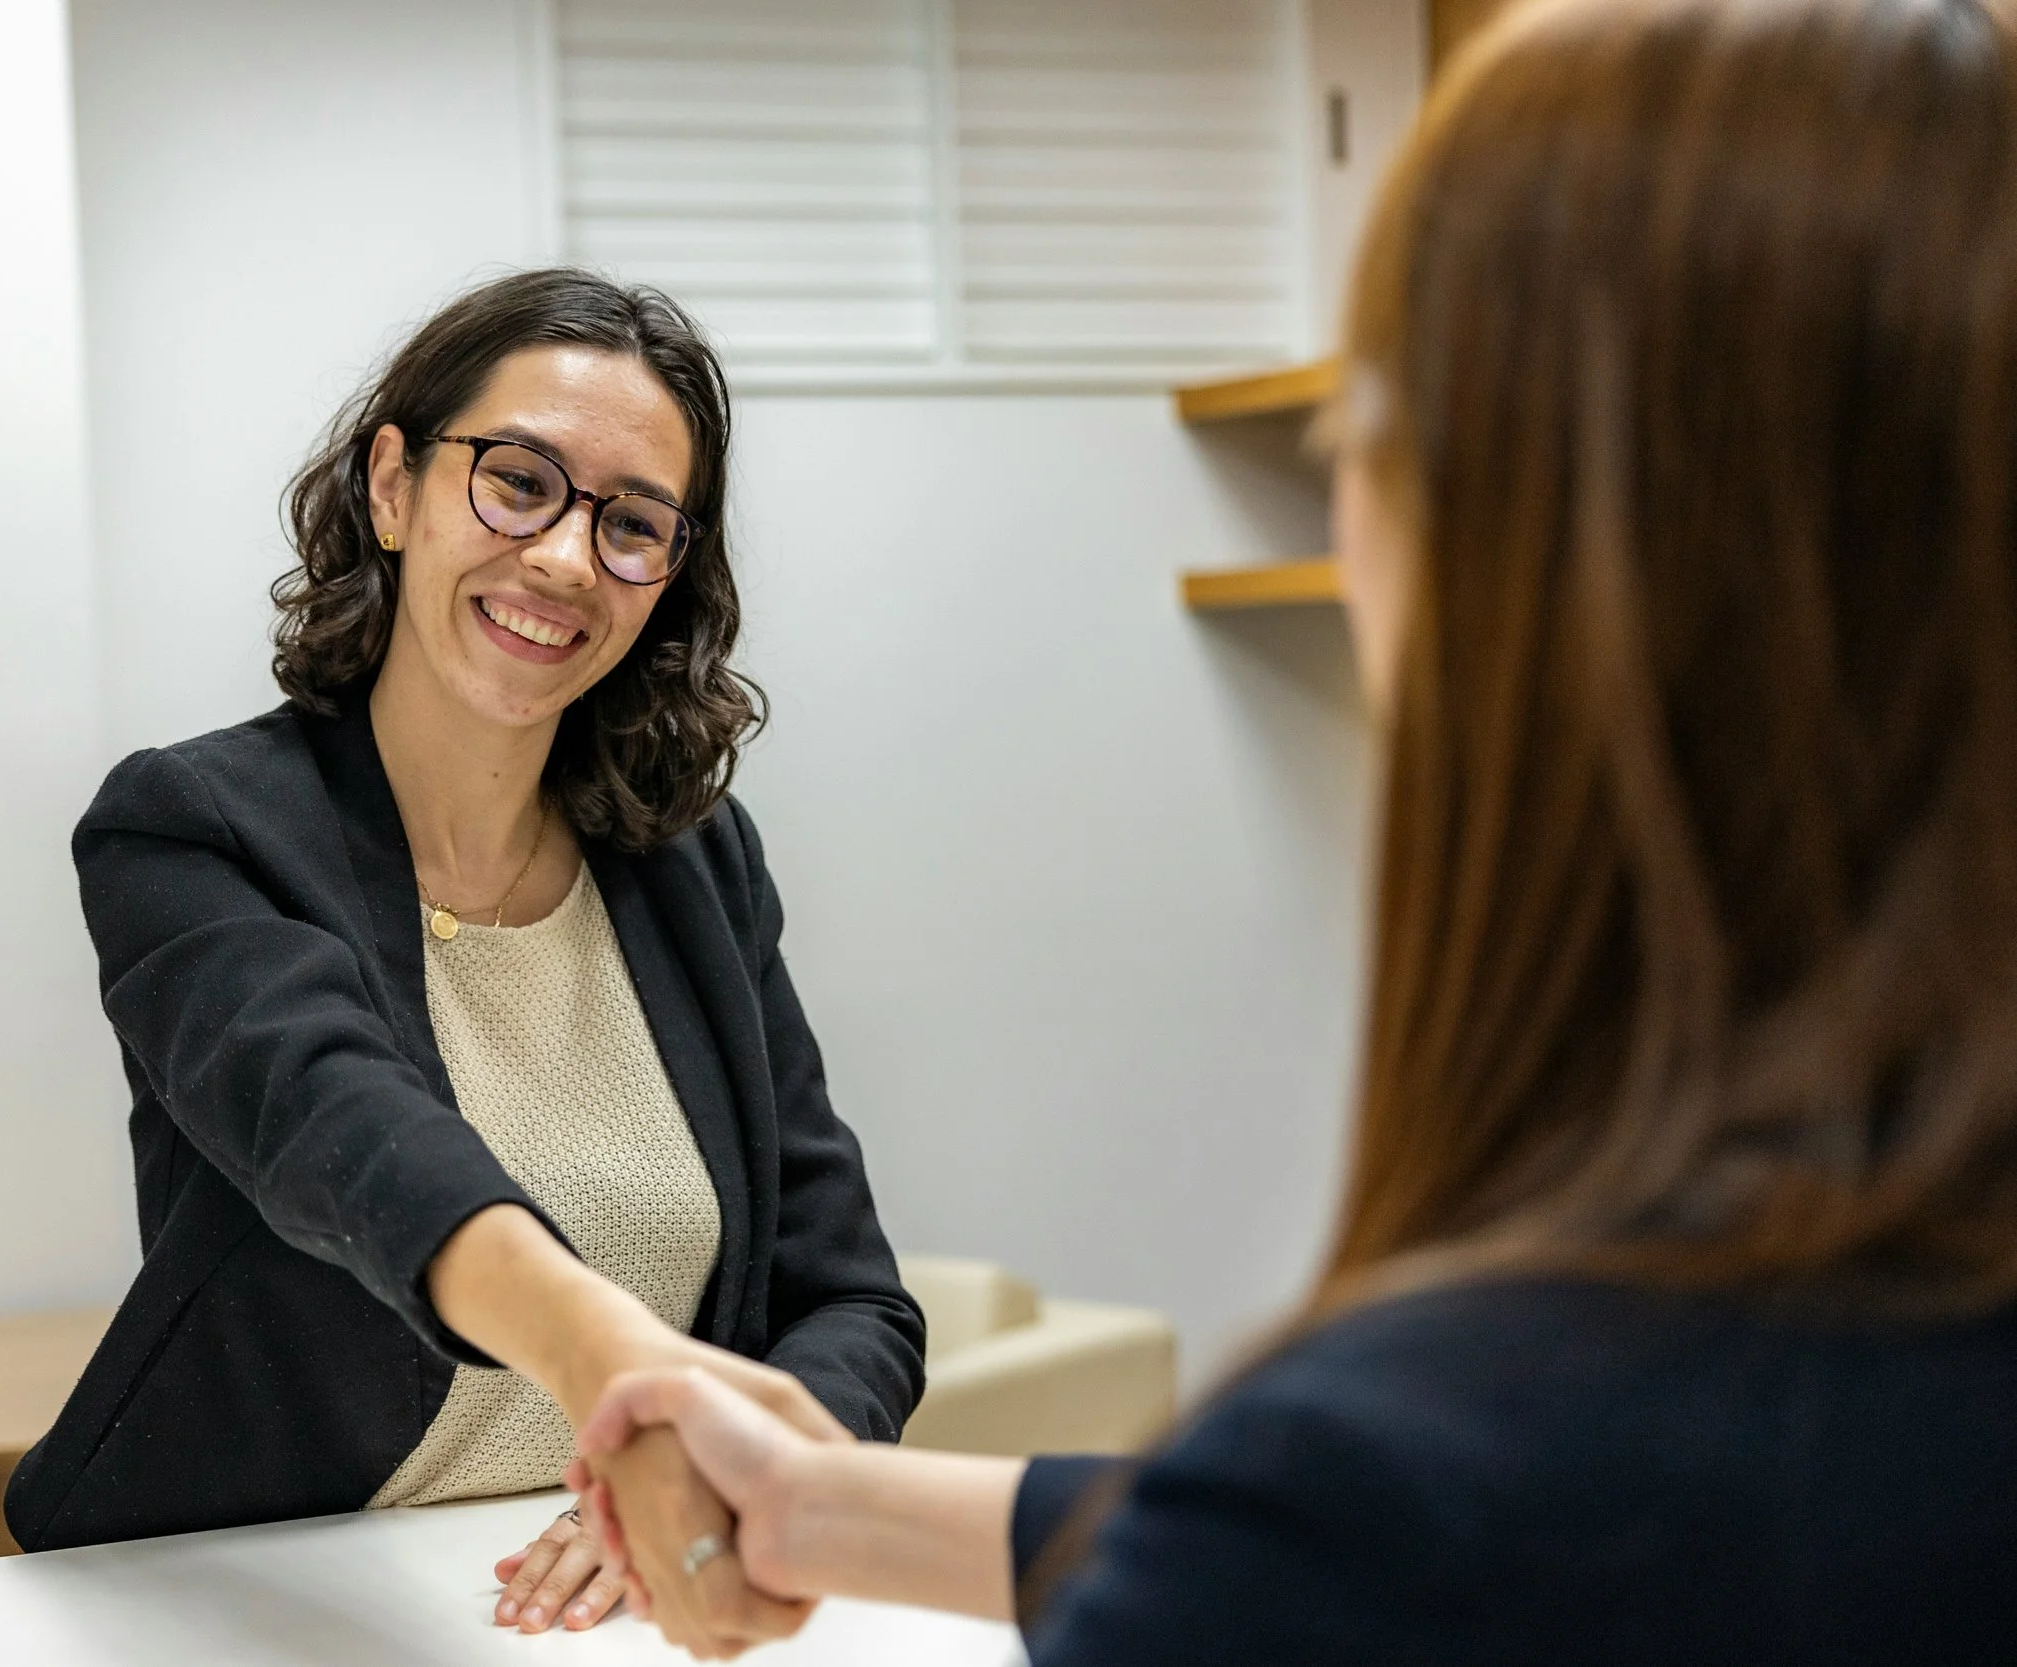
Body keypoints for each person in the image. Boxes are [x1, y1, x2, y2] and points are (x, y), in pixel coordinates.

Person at [569, 0, 2017, 1658]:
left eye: (1363, 438)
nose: (564, 560)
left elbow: (1369, 1527)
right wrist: (837, 1505)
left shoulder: (1414, 1477)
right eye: (518, 485)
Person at [3, 269, 924, 1640]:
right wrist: (616, 1363)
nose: (563, 557)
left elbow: (851, 1301)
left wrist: (729, 1481)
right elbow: (349, 1137)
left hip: (612, 1605)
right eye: (518, 481)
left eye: (631, 524)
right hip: (250, 1603)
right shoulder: (191, 828)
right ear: (393, 487)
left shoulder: (693, 864)